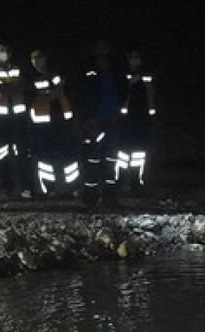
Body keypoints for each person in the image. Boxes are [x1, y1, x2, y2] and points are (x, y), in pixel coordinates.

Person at [24, 47, 78, 197]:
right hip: (41, 122)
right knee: (45, 157)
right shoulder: (30, 78)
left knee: (68, 154)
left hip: (62, 119)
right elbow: (31, 96)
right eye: (34, 58)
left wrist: (48, 93)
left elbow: (62, 90)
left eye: (39, 57)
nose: (37, 61)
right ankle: (51, 188)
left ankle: (72, 187)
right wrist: (50, 93)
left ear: (46, 58)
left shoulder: (56, 74)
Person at [75, 39, 122, 208]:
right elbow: (82, 94)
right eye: (100, 47)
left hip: (113, 120)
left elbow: (121, 91)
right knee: (92, 159)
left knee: (111, 159)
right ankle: (90, 197)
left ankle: (110, 196)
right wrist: (87, 118)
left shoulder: (116, 69)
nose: (103, 51)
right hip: (95, 121)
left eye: (105, 47)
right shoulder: (87, 69)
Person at [0, 40, 29, 197]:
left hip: (17, 116)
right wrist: (10, 87)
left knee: (21, 152)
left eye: (8, 49)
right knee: (1, 153)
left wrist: (6, 86)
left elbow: (23, 84)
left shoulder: (17, 68)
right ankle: (5, 186)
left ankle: (25, 187)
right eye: (2, 49)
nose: (5, 52)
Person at [116, 47, 156, 188]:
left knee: (138, 151)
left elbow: (151, 93)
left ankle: (135, 180)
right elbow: (121, 93)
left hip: (141, 117)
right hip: (126, 118)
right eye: (133, 57)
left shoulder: (146, 74)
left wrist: (151, 113)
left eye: (137, 57)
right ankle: (121, 178)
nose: (135, 60)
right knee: (124, 150)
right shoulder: (123, 74)